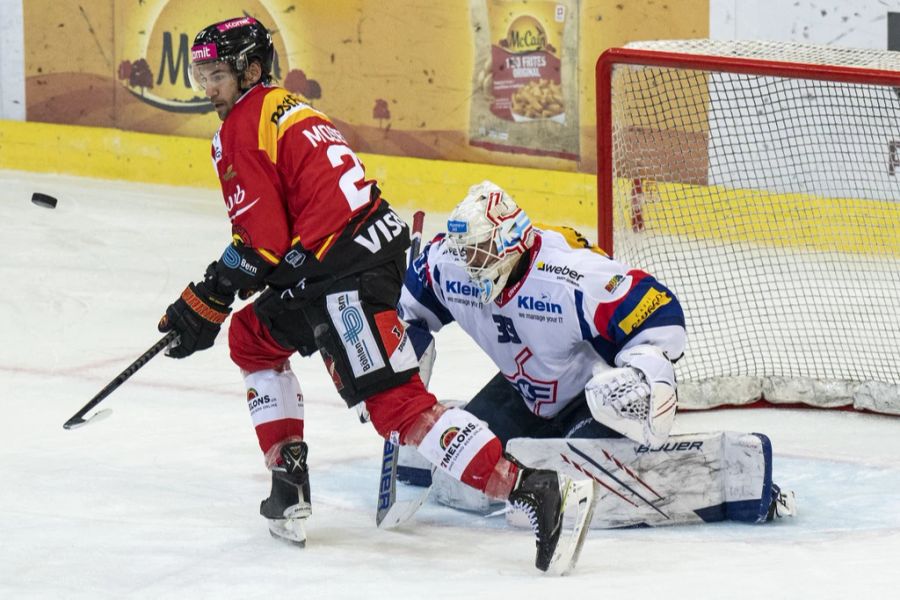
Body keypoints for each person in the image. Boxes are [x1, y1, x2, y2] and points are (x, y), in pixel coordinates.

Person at [156, 16, 592, 573]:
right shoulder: (289, 108)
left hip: (345, 277)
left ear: (251, 70)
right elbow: (283, 238)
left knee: (399, 408)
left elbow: (262, 246)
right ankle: (289, 482)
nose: (208, 89)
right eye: (201, 77)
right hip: (333, 263)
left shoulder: (243, 125)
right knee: (253, 338)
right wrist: (215, 301)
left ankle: (534, 487)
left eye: (216, 75)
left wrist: (207, 295)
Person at [396, 180, 796, 525]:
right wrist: (393, 371)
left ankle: (661, 444)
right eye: (466, 251)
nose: (470, 263)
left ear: (510, 243)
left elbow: (661, 314)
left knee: (562, 477)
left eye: (480, 251)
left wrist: (643, 377)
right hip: (528, 389)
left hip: (592, 397)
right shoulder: (446, 264)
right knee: (465, 469)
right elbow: (409, 312)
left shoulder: (571, 278)